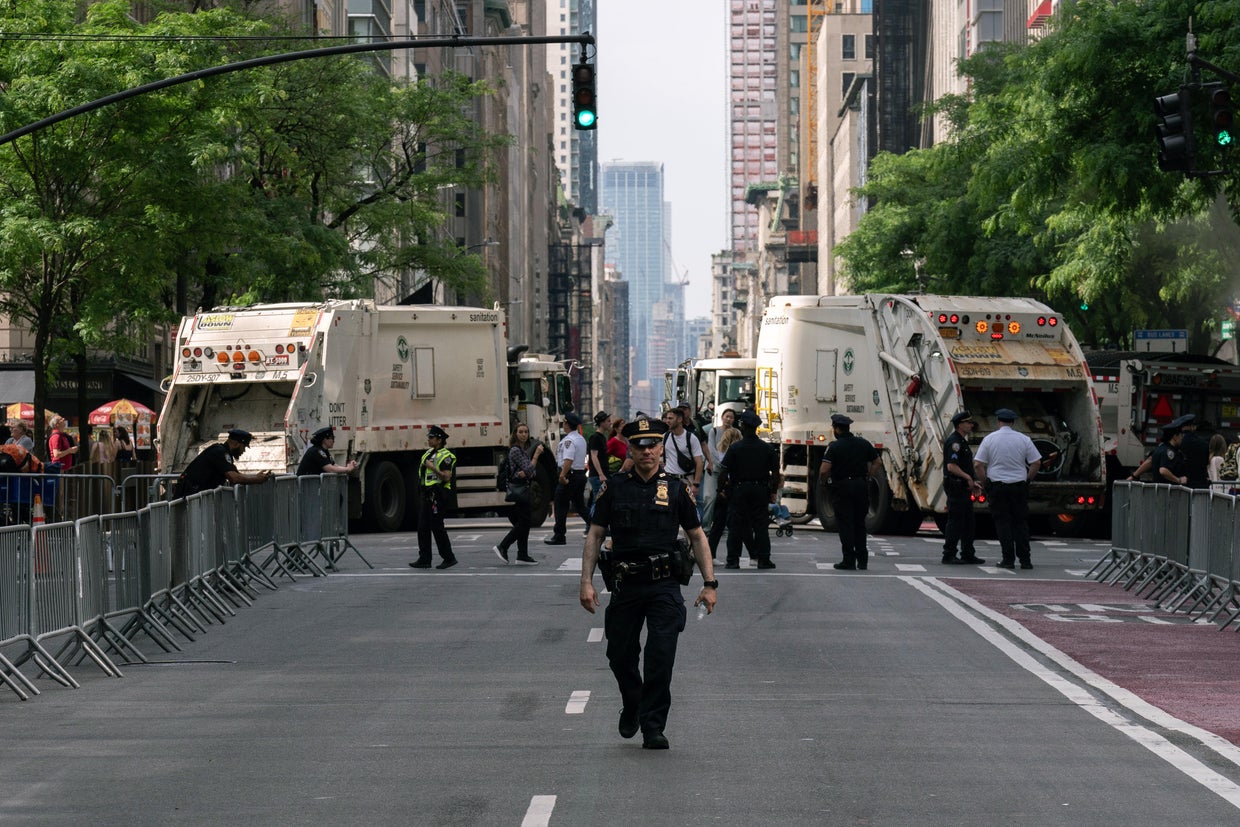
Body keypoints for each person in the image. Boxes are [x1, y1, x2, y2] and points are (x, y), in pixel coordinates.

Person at [579, 415, 717, 751]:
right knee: (620, 655)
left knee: (661, 656)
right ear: (630, 447)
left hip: (664, 586)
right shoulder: (615, 487)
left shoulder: (674, 489)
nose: (647, 452)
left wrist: (710, 583)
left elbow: (697, 536)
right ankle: (633, 701)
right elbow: (596, 534)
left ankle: (653, 726)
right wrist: (586, 581)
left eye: (653, 445)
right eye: (639, 446)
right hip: (626, 584)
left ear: (661, 448)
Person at [973, 408, 1042, 570]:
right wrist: (1027, 480)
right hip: (1018, 486)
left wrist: (985, 483)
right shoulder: (1024, 439)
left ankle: (1008, 559)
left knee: (1002, 523)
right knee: (1020, 523)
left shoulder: (989, 439)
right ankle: (1025, 560)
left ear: (998, 421)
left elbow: (978, 464)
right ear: (1013, 422)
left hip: (998, 486)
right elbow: (1036, 462)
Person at [718, 410, 780, 570]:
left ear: (743, 426)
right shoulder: (766, 449)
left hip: (739, 489)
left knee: (736, 526)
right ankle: (763, 559)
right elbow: (775, 473)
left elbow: (724, 471)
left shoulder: (735, 448)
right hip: (760, 489)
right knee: (761, 526)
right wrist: (773, 491)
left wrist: (721, 488)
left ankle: (733, 560)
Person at [820, 413, 881, 571]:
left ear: (837, 429)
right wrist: (869, 476)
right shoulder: (863, 443)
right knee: (860, 524)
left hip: (842, 488)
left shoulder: (834, 447)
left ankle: (848, 560)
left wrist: (825, 481)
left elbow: (824, 470)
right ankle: (863, 560)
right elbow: (877, 461)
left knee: (845, 524)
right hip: (860, 486)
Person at [409, 425, 458, 570]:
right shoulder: (427, 454)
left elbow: (446, 477)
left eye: (431, 437)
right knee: (422, 527)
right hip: (426, 494)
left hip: (438, 493)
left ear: (439, 439)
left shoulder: (447, 455)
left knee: (437, 526)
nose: (428, 440)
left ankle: (449, 557)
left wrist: (432, 468)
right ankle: (424, 558)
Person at [494, 423, 543, 565]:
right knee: (523, 523)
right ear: (515, 434)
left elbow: (531, 472)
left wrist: (527, 471)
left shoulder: (522, 450)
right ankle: (503, 546)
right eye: (520, 431)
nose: (524, 434)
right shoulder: (515, 450)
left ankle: (522, 555)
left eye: (526, 432)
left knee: (524, 523)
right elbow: (530, 469)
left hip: (524, 488)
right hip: (520, 489)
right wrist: (537, 455)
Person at [941, 410, 986, 566]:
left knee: (968, 522)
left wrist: (973, 482)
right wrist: (968, 478)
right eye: (968, 422)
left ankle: (968, 553)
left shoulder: (961, 441)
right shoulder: (955, 442)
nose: (971, 425)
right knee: (955, 521)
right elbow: (951, 466)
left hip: (963, 487)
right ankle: (949, 554)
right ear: (960, 425)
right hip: (956, 486)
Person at [175, 429, 272, 497]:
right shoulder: (220, 452)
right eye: (244, 447)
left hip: (194, 494)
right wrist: (256, 480)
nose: (244, 451)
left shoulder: (225, 453)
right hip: (189, 494)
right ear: (236, 443)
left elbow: (236, 474)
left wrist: (255, 477)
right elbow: (234, 478)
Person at [545, 412, 588, 545]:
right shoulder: (581, 439)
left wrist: (562, 475)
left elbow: (568, 459)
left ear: (567, 424)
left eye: (564, 422)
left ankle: (559, 535)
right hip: (579, 474)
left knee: (560, 504)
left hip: (570, 475)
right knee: (580, 505)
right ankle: (597, 525)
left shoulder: (569, 440)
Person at [706, 426, 742, 558]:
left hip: (723, 491)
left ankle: (711, 555)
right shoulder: (737, 451)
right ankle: (735, 557)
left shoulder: (720, 451)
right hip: (734, 489)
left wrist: (719, 490)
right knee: (737, 526)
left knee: (717, 525)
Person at [701, 408, 737, 532]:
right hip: (713, 469)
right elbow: (711, 449)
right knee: (709, 498)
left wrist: (728, 466)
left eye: (731, 417)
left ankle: (724, 526)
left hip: (729, 472)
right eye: (727, 416)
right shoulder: (714, 431)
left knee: (727, 498)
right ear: (722, 417)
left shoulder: (736, 433)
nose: (728, 419)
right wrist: (721, 463)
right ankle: (706, 526)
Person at [661, 406, 704, 499]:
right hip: (668, 479)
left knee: (686, 511)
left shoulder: (691, 438)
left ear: (680, 419)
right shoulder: (665, 436)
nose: (667, 421)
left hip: (686, 480)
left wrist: (695, 484)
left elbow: (699, 462)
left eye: (670, 418)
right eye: (667, 418)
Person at [1172, 414, 1210, 489]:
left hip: (1183, 485)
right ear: (1193, 427)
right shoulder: (1203, 443)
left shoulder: (1178, 442)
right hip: (1201, 484)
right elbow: (1206, 461)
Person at [587, 411, 612, 510]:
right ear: (601, 423)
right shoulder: (595, 438)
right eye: (608, 421)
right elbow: (594, 456)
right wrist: (601, 474)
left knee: (599, 500)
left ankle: (592, 524)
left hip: (602, 475)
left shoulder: (602, 437)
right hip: (597, 476)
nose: (610, 423)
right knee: (597, 501)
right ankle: (591, 524)